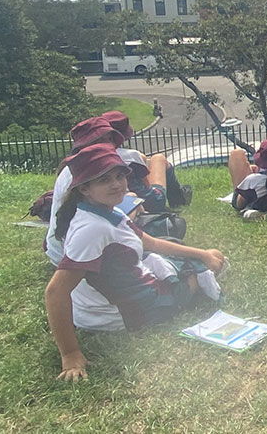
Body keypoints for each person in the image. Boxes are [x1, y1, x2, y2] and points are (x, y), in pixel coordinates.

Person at [45, 144, 226, 381]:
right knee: (207, 269)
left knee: (201, 258)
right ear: (85, 189)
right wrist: (70, 354)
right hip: (125, 312)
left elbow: (150, 242)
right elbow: (55, 292)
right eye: (104, 179)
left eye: (119, 175)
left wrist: (201, 253)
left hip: (120, 291)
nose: (116, 184)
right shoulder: (91, 229)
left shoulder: (105, 210)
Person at [46, 117, 126, 266]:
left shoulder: (82, 168)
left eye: (110, 139)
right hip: (70, 253)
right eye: (99, 140)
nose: (107, 144)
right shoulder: (80, 174)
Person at [100, 110, 182, 211]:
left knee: (142, 157)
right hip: (148, 202)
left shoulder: (94, 159)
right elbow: (147, 185)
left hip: (121, 203)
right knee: (158, 158)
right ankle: (177, 200)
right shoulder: (131, 156)